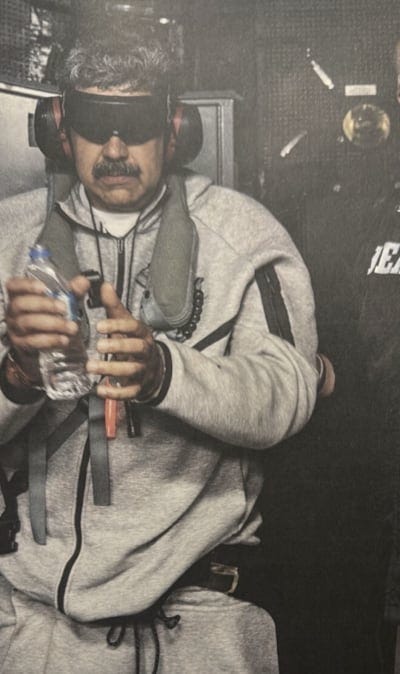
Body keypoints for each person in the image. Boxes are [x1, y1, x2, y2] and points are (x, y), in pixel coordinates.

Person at [0, 28, 318, 674]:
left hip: (199, 622)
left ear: (175, 131)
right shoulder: (8, 237)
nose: (116, 149)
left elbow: (288, 392)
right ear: (60, 129)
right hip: (39, 629)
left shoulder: (245, 236)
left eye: (138, 125)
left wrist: (166, 374)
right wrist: (17, 376)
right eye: (95, 124)